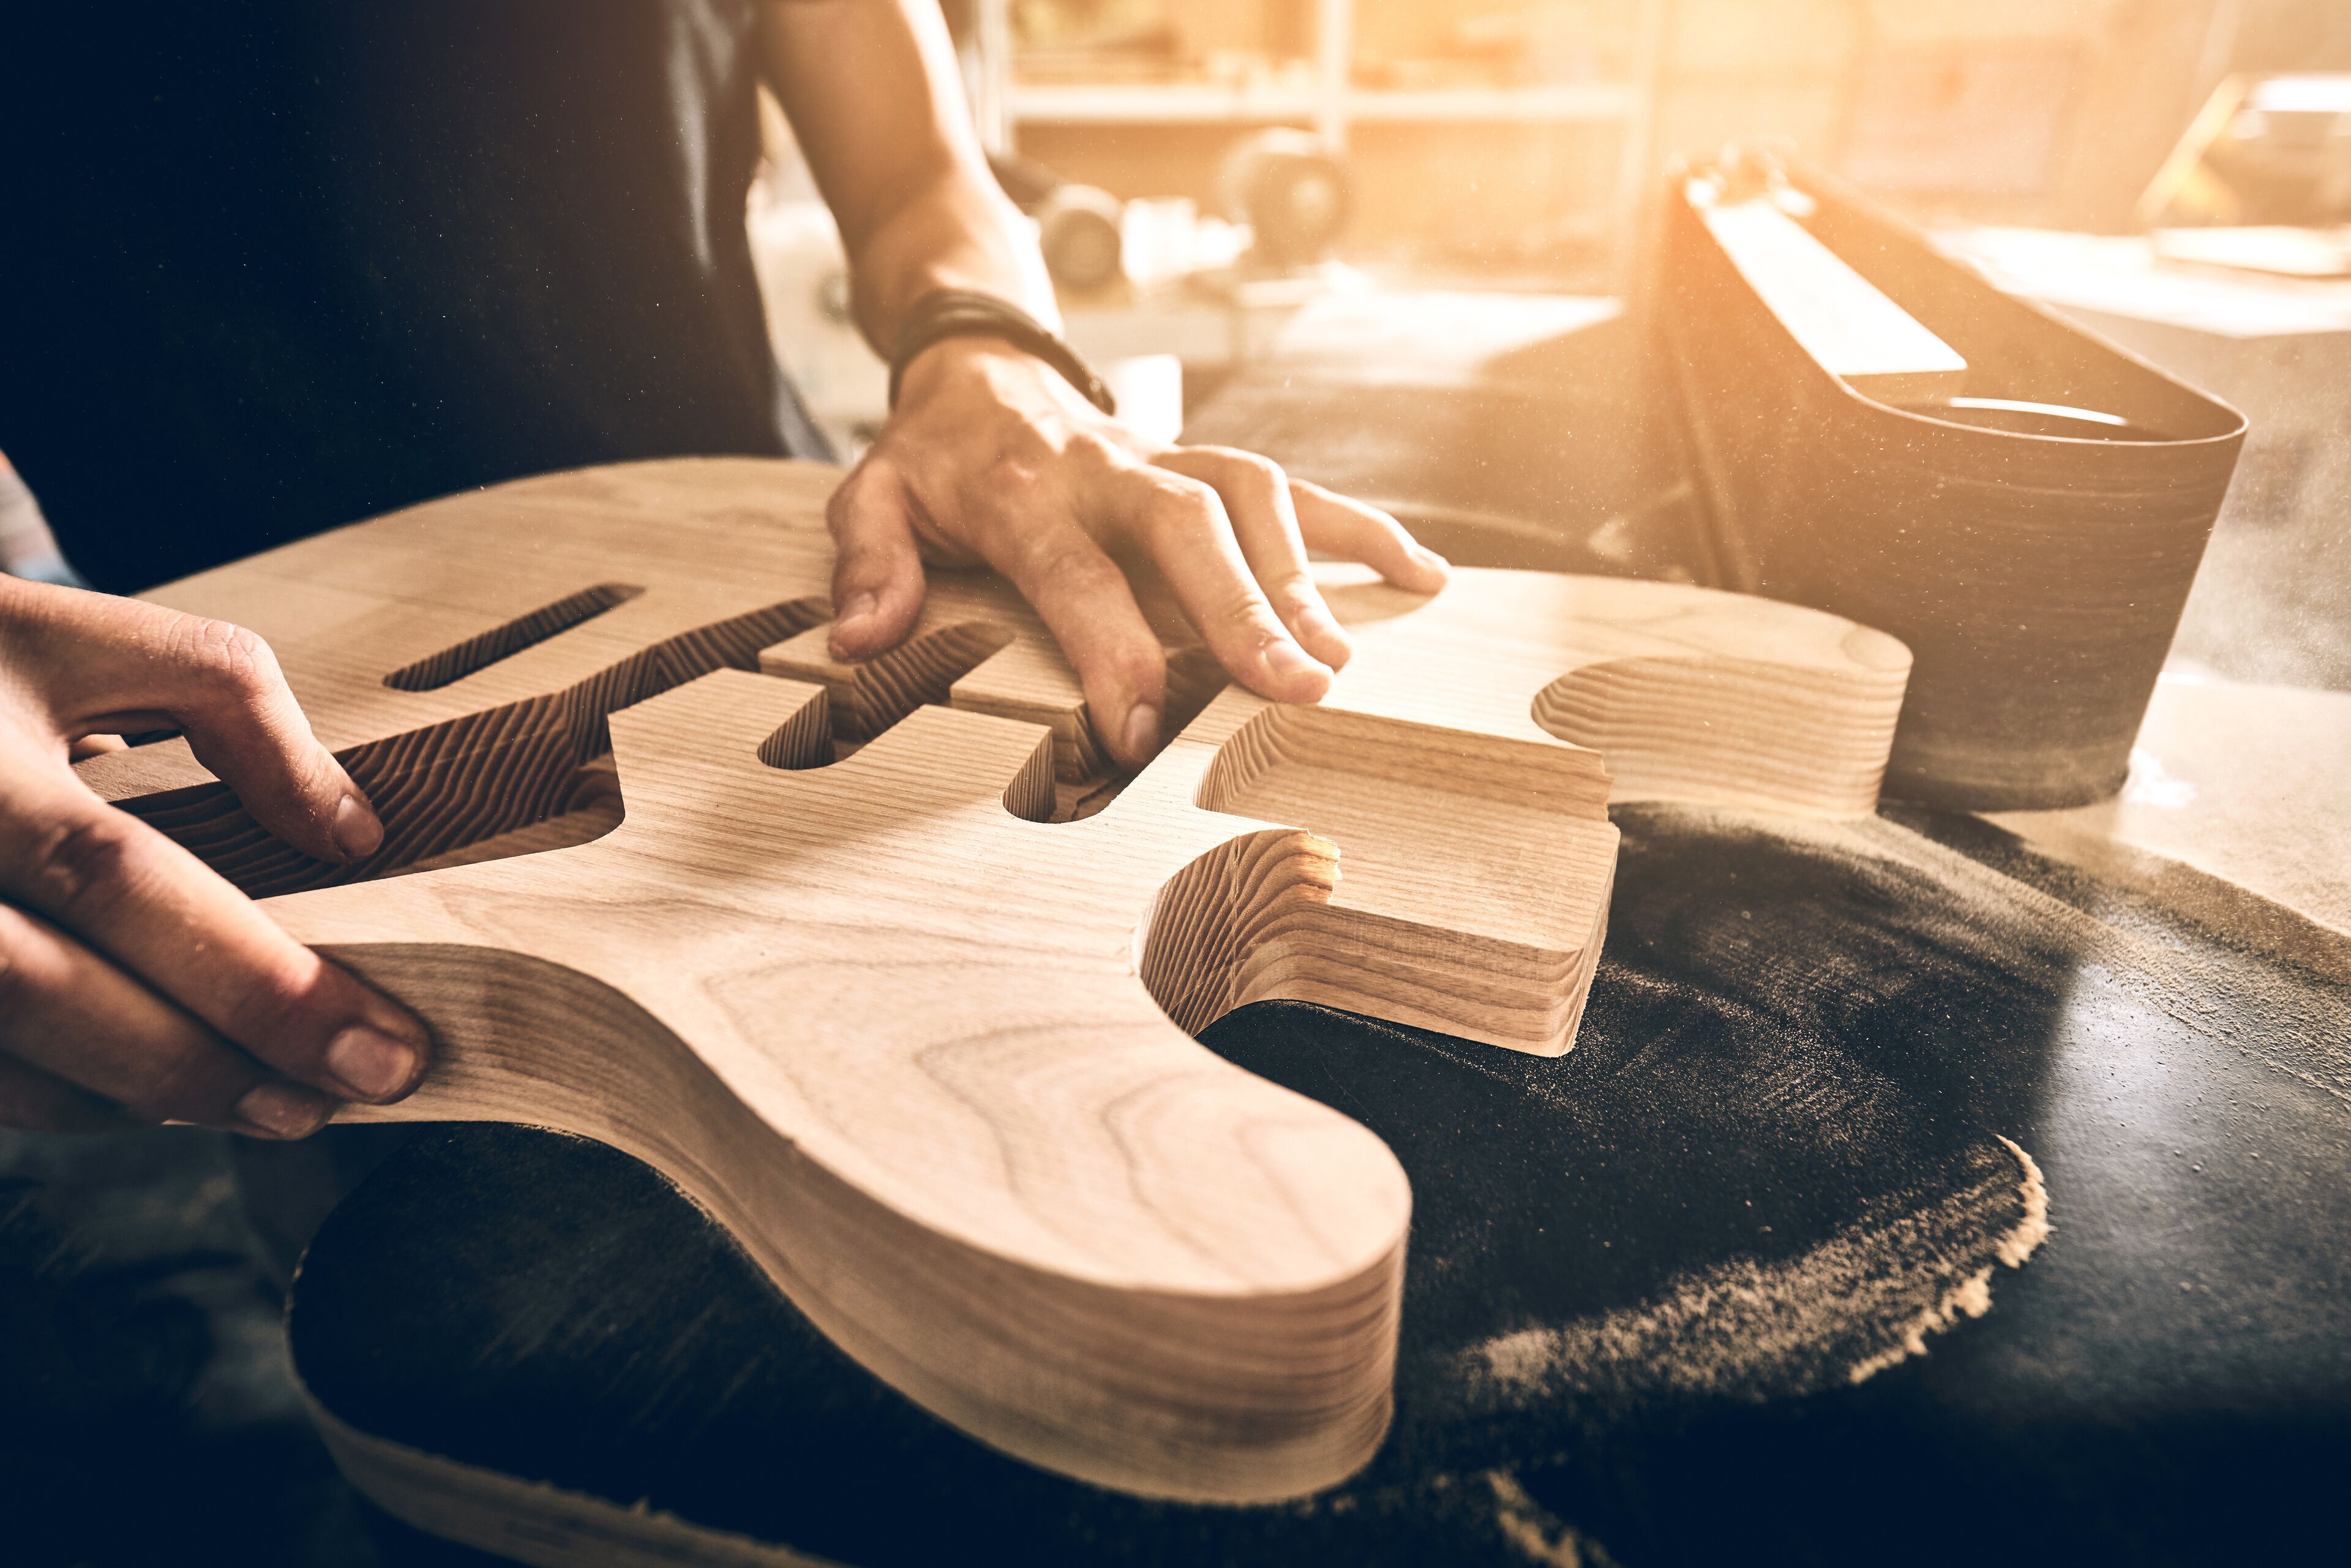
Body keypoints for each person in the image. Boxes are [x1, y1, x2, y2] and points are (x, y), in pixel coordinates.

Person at [0, 1, 1447, 1139]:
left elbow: (922, 170)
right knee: (418, 1250)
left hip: (808, 567)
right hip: (255, 751)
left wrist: (988, 353)